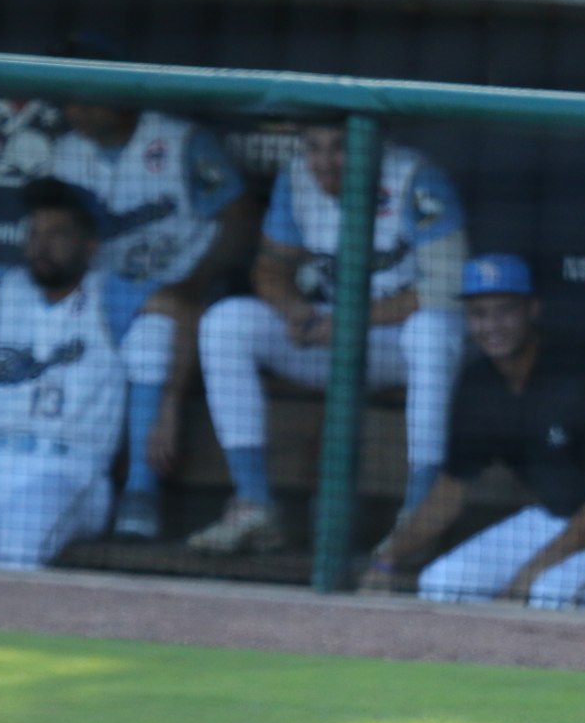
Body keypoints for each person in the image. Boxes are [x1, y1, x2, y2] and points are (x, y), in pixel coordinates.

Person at [188, 119, 468, 554]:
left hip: (399, 343)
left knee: (430, 332)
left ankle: (419, 513)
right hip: (333, 334)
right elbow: (270, 268)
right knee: (225, 322)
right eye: (313, 147)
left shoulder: (413, 177)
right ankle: (255, 504)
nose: (324, 162)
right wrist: (291, 308)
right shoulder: (297, 179)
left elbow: (449, 285)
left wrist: (348, 322)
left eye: (340, 147)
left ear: (373, 145)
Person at [354, 255, 585, 608]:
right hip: (556, 517)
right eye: (479, 314)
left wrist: (531, 572)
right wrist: (388, 559)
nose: (492, 325)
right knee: (442, 582)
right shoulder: (479, 382)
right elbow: (450, 490)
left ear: (532, 309)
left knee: (552, 592)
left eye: (505, 311)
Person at [41, 33, 262, 539]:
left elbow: (240, 216)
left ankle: (140, 493)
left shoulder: (180, 141)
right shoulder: (66, 155)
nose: (74, 110)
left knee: (152, 337)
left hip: (181, 294)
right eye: (66, 99)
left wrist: (197, 279)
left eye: (83, 97)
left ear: (116, 93)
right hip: (105, 299)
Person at [0, 178, 179, 569]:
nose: (41, 245)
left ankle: (141, 493)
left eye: (58, 234)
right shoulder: (2, 286)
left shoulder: (108, 293)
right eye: (35, 233)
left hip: (72, 472)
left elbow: (180, 309)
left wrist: (170, 402)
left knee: (20, 537)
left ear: (90, 246)